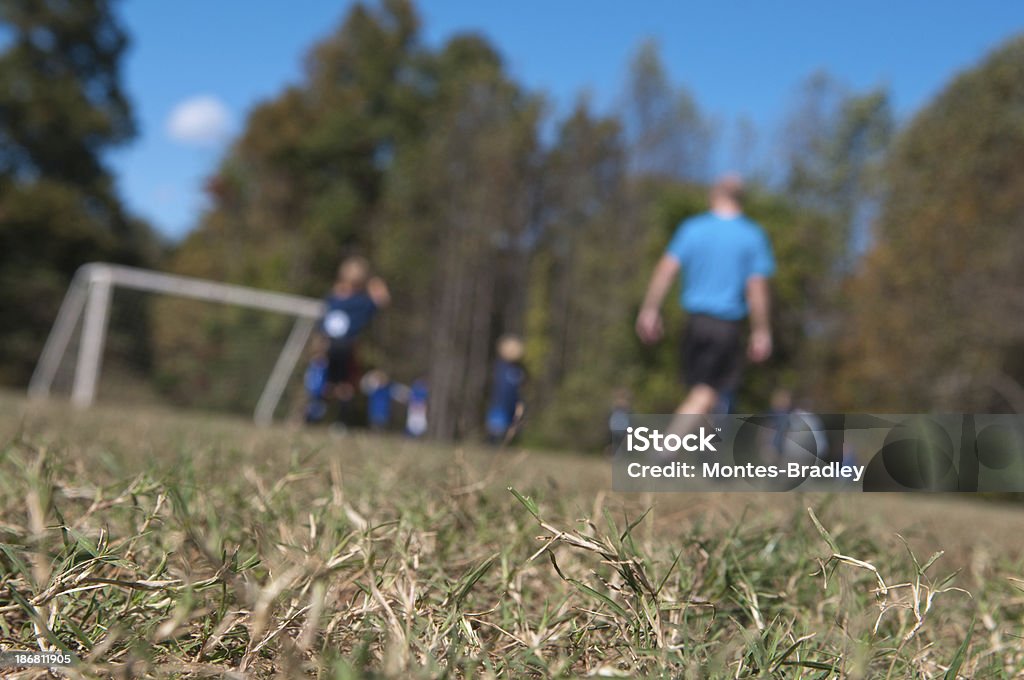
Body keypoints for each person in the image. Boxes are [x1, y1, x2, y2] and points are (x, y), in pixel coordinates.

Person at [636, 174, 775, 420]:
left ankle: (702, 457)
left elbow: (666, 270)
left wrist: (650, 309)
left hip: (694, 323)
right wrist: (761, 330)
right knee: (707, 393)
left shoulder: (692, 228)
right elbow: (756, 288)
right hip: (725, 326)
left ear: (714, 194)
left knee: (709, 397)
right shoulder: (752, 235)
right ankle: (664, 449)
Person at [306, 256, 390, 427]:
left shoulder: (362, 302)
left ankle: (340, 422)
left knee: (345, 386)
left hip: (346, 347)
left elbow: (382, 299)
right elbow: (323, 322)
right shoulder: (333, 297)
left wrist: (372, 281)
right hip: (328, 346)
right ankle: (315, 413)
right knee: (322, 382)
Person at [486, 335, 527, 444]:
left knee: (511, 433)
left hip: (513, 404)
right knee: (496, 432)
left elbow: (521, 388)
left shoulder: (520, 369)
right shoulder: (500, 367)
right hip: (499, 404)